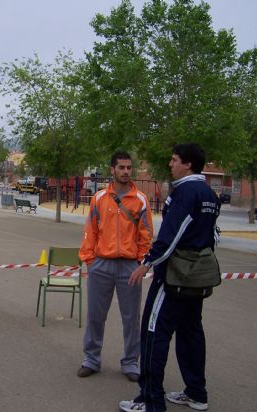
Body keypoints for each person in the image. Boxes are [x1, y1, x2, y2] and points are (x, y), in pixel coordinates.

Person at [119, 143, 221, 412]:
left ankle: (150, 400)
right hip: (197, 279)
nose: (170, 164)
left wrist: (148, 262)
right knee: (191, 333)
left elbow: (172, 234)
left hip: (174, 279)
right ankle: (197, 393)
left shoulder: (185, 192)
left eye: (174, 160)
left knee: (153, 334)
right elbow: (213, 236)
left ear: (188, 164)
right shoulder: (210, 193)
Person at [77, 151, 153, 382]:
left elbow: (146, 234)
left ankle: (130, 362)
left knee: (131, 318)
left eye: (129, 168)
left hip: (129, 267)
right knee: (95, 316)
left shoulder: (140, 200)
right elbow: (91, 231)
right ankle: (91, 359)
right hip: (101, 265)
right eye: (121, 167)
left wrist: (141, 262)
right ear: (112, 170)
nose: (126, 172)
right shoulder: (99, 198)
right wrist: (89, 260)